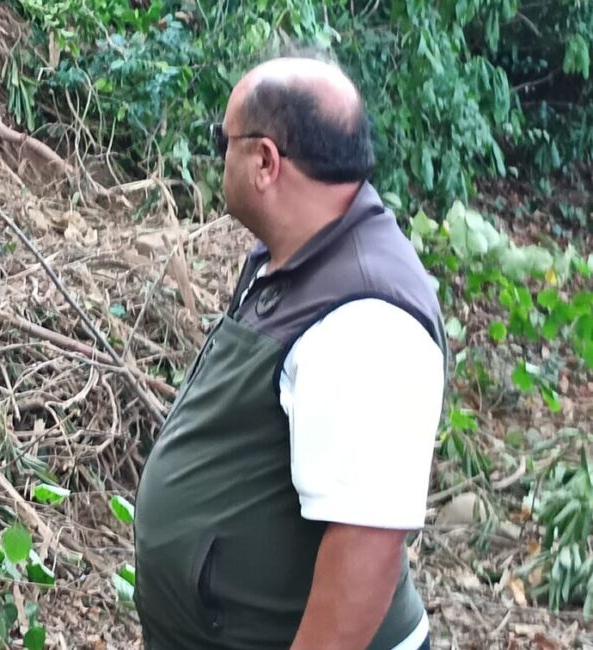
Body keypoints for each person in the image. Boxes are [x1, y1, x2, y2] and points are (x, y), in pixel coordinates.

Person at [132, 52, 448, 650]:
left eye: (219, 139)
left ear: (265, 161)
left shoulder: (365, 319)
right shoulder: (292, 255)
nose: (215, 154)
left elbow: (366, 549)